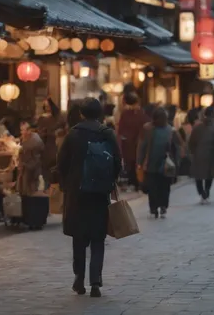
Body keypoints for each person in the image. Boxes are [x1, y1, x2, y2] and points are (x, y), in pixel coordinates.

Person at [57, 98, 121, 298]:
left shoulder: (73, 135)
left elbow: (61, 163)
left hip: (77, 192)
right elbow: (118, 161)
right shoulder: (107, 133)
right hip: (100, 192)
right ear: (100, 113)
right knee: (98, 238)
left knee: (79, 236)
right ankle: (95, 281)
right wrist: (111, 181)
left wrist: (64, 183)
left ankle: (79, 277)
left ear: (81, 114)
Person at [137, 107, 183, 218]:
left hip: (154, 163)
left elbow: (142, 147)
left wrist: (140, 161)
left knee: (155, 187)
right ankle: (162, 206)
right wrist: (177, 162)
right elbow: (178, 147)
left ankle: (155, 208)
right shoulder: (169, 130)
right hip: (163, 164)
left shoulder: (149, 129)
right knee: (163, 187)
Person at [189, 106, 214, 204]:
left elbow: (191, 142)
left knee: (199, 176)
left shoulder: (197, 127)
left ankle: (202, 193)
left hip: (199, 154)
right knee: (209, 175)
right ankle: (206, 192)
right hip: (211, 154)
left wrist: (192, 152)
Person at [117, 93, 150, 192]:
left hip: (128, 143)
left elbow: (121, 129)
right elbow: (145, 125)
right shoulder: (140, 113)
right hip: (136, 142)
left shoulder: (125, 114)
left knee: (130, 163)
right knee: (136, 162)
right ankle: (137, 183)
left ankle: (133, 182)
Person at [37, 98, 62, 188]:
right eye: (45, 106)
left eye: (48, 105)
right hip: (47, 146)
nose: (47, 108)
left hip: (53, 146)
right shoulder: (43, 118)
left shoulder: (56, 117)